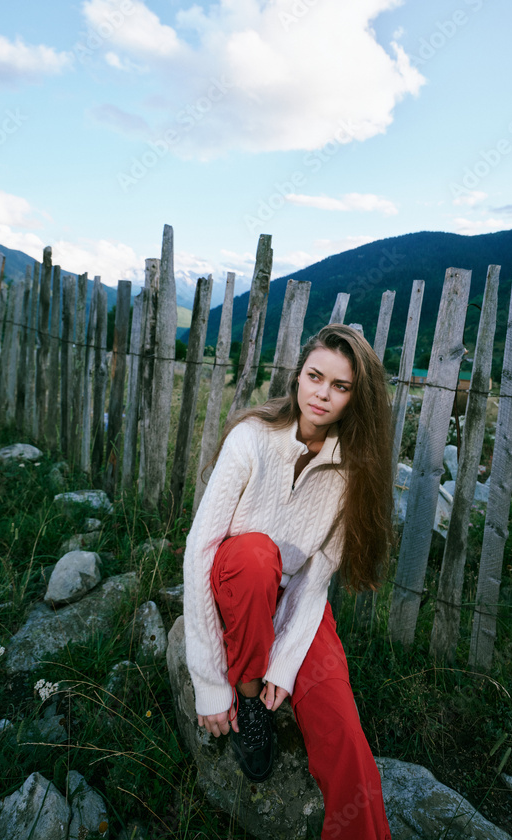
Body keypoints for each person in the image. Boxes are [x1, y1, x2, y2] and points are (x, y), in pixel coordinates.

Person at [183, 324, 393, 839]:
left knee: (343, 729)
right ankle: (248, 697)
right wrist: (212, 682)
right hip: (237, 575)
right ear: (298, 376)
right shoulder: (250, 439)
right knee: (259, 554)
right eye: (315, 376)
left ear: (353, 398)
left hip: (295, 600)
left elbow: (317, 578)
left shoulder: (353, 472)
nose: (322, 393)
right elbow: (200, 551)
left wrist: (288, 658)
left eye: (339, 386)